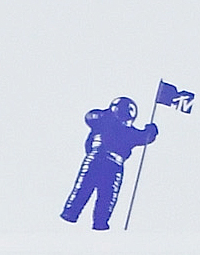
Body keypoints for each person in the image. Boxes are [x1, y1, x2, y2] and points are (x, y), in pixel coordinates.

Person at [60, 96, 157, 230]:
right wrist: (151, 130)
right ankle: (89, 219)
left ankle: (76, 215)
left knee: (93, 192)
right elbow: (145, 137)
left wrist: (150, 131)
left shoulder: (105, 122)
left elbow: (145, 137)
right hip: (106, 161)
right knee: (102, 195)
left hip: (102, 160)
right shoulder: (108, 123)